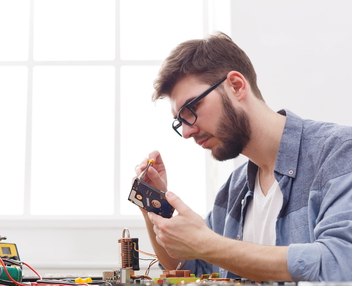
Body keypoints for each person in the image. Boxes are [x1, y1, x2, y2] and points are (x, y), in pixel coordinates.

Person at [134, 32, 352, 282]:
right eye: (179, 121)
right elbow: (192, 267)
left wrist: (208, 244)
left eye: (191, 109)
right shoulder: (233, 189)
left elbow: (341, 260)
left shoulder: (340, 152)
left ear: (236, 86)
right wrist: (152, 202)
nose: (186, 132)